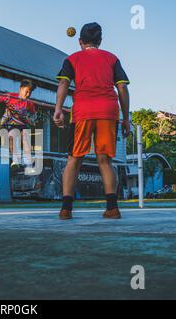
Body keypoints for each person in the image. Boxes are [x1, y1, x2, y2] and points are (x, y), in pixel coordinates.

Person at [53, 22, 131, 220]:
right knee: (105, 160)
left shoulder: (72, 59)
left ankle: (66, 209)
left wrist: (58, 109)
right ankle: (112, 208)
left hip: (83, 111)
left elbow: (63, 82)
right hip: (108, 111)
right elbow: (122, 88)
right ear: (100, 41)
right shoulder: (112, 59)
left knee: (74, 159)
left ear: (80, 41)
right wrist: (126, 118)